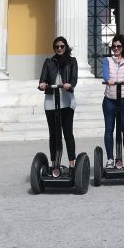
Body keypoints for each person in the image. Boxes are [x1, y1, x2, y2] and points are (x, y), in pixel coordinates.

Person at [38, 36, 79, 169]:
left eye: (62, 46)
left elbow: (74, 78)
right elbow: (43, 78)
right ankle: (54, 162)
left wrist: (70, 85)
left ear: (65, 47)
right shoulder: (49, 62)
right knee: (54, 134)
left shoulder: (72, 61)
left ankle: (72, 162)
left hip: (66, 101)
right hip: (51, 100)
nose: (59, 49)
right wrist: (42, 84)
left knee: (67, 133)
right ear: (54, 48)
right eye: (57, 47)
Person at [101, 34, 124, 168]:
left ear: (123, 47)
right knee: (109, 130)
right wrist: (108, 79)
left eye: (118, 46)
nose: (116, 48)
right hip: (109, 100)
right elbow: (104, 73)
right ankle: (110, 159)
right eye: (114, 46)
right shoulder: (107, 60)